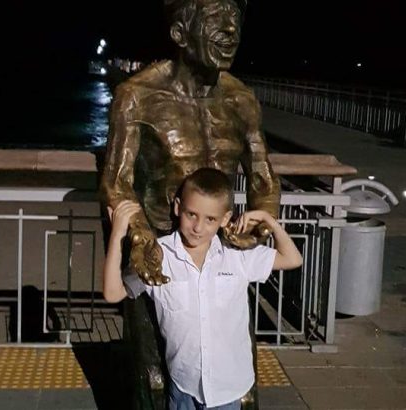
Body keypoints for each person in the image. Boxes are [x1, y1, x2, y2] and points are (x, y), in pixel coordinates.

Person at [100, 0, 281, 287]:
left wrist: (261, 222)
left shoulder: (241, 100)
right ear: (180, 34)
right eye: (215, 18)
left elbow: (263, 178)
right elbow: (116, 182)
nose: (231, 29)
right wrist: (139, 233)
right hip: (158, 251)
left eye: (234, 18)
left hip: (220, 252)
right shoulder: (137, 96)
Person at [103, 169, 302, 410]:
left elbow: (292, 259)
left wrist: (269, 221)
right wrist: (117, 235)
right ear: (178, 208)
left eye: (210, 219)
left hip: (229, 389)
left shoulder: (236, 255)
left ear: (225, 219)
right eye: (192, 215)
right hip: (184, 387)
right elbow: (113, 293)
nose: (198, 227)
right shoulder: (158, 256)